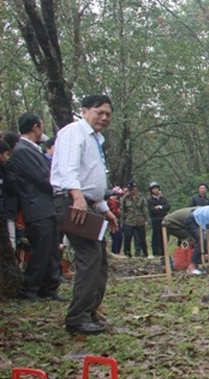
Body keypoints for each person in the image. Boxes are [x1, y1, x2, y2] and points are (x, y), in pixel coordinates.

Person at [50, 94, 120, 335]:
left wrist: (105, 210)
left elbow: (91, 180)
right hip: (73, 202)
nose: (104, 117)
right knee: (89, 257)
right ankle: (77, 317)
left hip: (88, 203)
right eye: (99, 112)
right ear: (84, 111)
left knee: (99, 258)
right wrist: (77, 197)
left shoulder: (95, 139)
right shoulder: (74, 132)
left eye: (108, 114)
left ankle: (90, 312)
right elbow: (68, 168)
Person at [8, 113, 64, 301]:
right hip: (36, 207)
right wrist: (60, 184)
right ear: (35, 127)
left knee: (52, 250)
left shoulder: (33, 149)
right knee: (41, 250)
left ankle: (50, 287)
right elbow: (43, 177)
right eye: (41, 125)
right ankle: (30, 288)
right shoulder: (22, 150)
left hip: (47, 207)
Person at [121, 181, 149, 257]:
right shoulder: (125, 198)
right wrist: (122, 222)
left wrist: (146, 220)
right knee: (127, 238)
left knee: (142, 238)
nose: (132, 191)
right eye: (130, 189)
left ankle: (145, 253)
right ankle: (127, 253)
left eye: (133, 189)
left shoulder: (141, 197)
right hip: (129, 221)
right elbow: (123, 210)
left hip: (140, 220)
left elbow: (145, 209)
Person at [148, 182, 170, 257]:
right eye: (153, 189)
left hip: (163, 219)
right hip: (155, 220)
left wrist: (160, 207)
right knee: (156, 236)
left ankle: (164, 251)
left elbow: (168, 206)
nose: (155, 190)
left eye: (156, 188)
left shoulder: (163, 198)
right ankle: (156, 252)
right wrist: (159, 209)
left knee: (164, 235)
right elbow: (152, 210)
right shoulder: (150, 200)